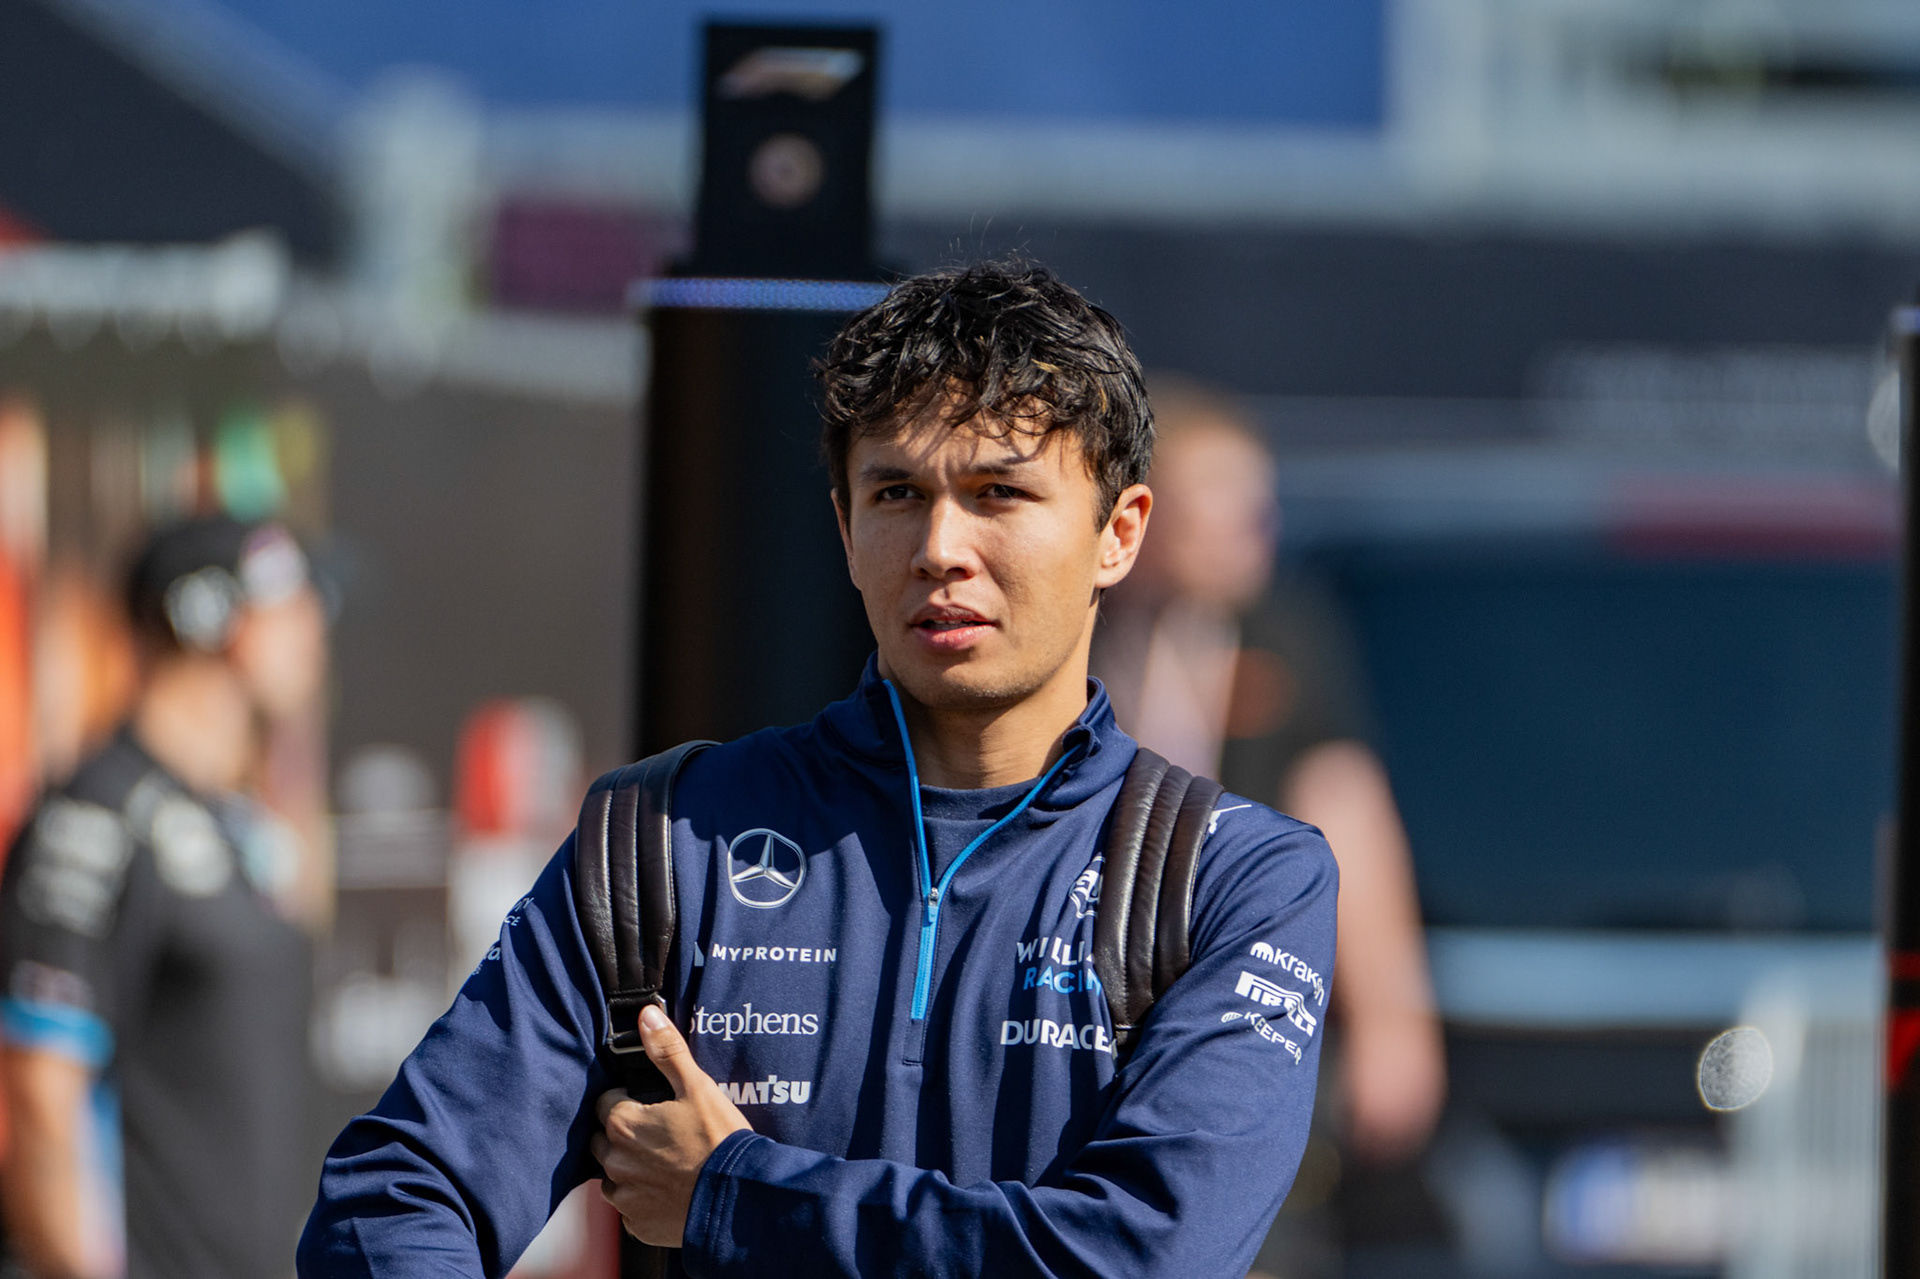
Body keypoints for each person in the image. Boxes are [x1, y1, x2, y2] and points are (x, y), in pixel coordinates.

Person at [299, 261, 1339, 1278]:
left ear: (1119, 533)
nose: (940, 546)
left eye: (998, 492)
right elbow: (393, 1196)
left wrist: (734, 1192)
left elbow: (1148, 1254)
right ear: (845, 529)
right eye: (896, 492)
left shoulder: (1236, 879)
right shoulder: (666, 839)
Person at [1092, 381, 1445, 1273]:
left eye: (1261, 504)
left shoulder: (1287, 637)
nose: (1251, 527)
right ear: (1140, 515)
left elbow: (1350, 817)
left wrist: (1394, 1017)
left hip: (1246, 994)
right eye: (1220, 501)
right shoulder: (1079, 637)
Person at [0, 517, 326, 1279]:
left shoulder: (236, 822)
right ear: (205, 613)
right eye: (290, 600)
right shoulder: (95, 816)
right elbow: (43, 1096)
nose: (314, 624)